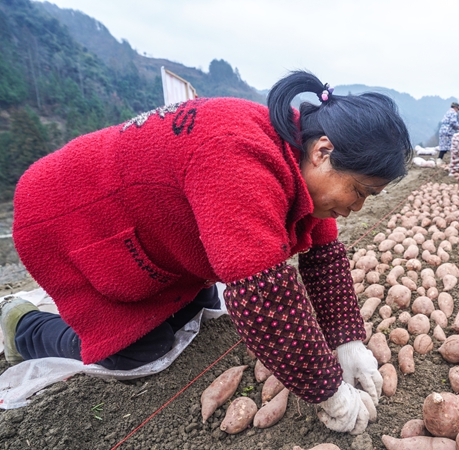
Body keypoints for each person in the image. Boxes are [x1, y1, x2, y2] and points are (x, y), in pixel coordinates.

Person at [1, 70, 412, 435]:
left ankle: (156, 293)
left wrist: (346, 341)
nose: (357, 208)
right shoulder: (240, 154)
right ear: (324, 151)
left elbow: (323, 255)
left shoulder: (297, 150)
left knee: (200, 303)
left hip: (154, 227)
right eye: (359, 191)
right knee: (138, 352)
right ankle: (22, 324)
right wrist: (327, 391)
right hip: (66, 215)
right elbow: (264, 296)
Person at [437, 102, 459, 166]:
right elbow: (453, 123)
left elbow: (452, 124)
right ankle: (454, 161)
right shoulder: (453, 113)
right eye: (458, 109)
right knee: (453, 146)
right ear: (455, 107)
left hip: (442, 130)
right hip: (448, 132)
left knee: (443, 146)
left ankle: (439, 159)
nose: (457, 111)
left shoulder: (448, 112)